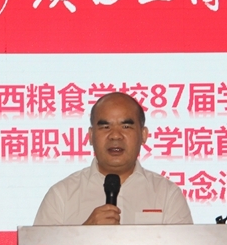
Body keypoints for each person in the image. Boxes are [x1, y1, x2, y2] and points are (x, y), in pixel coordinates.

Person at [34, 92, 192, 226]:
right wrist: (84, 233)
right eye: (105, 127)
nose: (115, 135)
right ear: (91, 136)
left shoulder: (167, 195)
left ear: (144, 135)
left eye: (126, 126)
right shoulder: (61, 195)